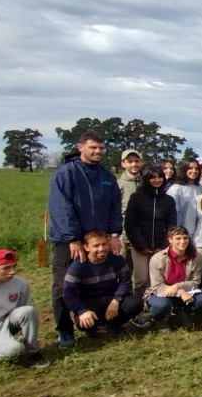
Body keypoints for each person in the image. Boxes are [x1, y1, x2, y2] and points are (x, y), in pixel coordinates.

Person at [48, 130, 125, 348]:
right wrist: (73, 238)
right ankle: (65, 331)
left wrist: (114, 235)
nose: (98, 151)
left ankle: (97, 321)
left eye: (101, 148)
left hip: (100, 240)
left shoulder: (107, 177)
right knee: (63, 285)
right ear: (81, 147)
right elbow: (61, 208)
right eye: (93, 147)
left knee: (102, 280)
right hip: (69, 241)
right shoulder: (66, 173)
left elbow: (114, 208)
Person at [62, 230, 145, 338]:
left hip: (111, 298)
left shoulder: (117, 260)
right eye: (96, 246)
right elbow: (68, 293)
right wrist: (81, 311)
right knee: (85, 324)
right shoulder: (78, 266)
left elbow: (126, 282)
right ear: (86, 247)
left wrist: (116, 300)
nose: (101, 249)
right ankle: (93, 327)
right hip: (90, 302)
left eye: (104, 244)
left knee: (136, 303)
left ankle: (114, 325)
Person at [124, 165, 178, 300]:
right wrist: (141, 246)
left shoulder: (168, 200)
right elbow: (130, 224)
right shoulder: (136, 198)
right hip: (140, 247)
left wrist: (163, 245)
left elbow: (171, 224)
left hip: (161, 247)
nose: (157, 180)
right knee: (141, 280)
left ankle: (157, 306)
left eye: (160, 177)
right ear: (146, 179)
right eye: (153, 177)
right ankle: (137, 306)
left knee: (160, 278)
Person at [146, 226, 202, 331]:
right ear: (170, 240)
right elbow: (157, 286)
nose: (183, 241)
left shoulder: (196, 257)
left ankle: (186, 313)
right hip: (161, 293)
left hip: (187, 291)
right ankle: (159, 318)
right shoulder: (157, 258)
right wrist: (180, 292)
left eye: (185, 238)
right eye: (178, 238)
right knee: (162, 305)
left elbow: (196, 281)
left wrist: (178, 286)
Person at [117, 149, 142, 258]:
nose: (134, 164)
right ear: (123, 163)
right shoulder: (118, 184)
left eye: (136, 161)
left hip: (141, 233)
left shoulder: (146, 182)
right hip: (122, 233)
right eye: (130, 161)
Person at [167, 159, 202, 227]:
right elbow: (174, 213)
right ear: (184, 170)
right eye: (190, 168)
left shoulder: (201, 188)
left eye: (196, 169)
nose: (194, 171)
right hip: (181, 229)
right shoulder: (176, 189)